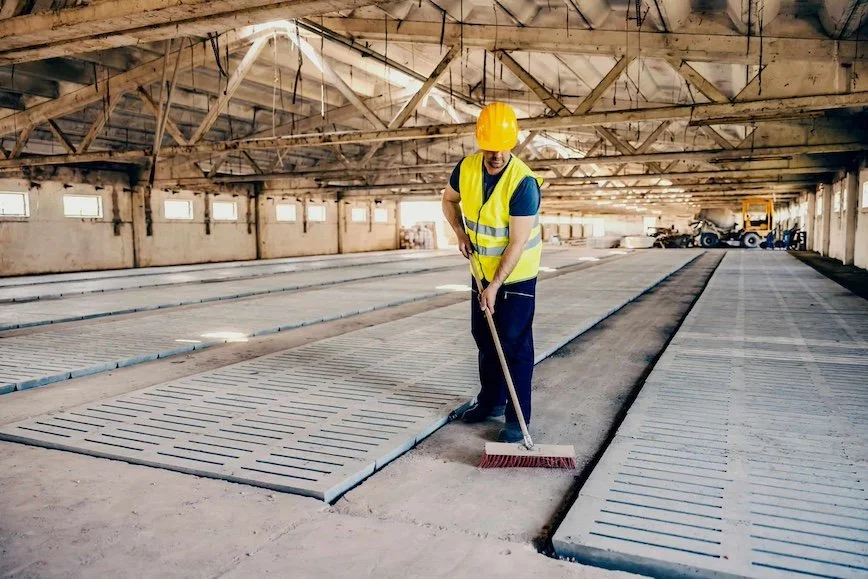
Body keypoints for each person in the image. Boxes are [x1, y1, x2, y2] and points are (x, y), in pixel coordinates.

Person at [440, 102, 543, 444]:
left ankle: (517, 418)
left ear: (512, 143)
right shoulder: (466, 169)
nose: (496, 155)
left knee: (513, 346)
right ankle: (491, 402)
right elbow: (448, 201)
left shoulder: (523, 183)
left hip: (515, 277)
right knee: (485, 339)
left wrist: (495, 286)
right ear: (480, 141)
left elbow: (516, 242)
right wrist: (460, 233)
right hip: (481, 272)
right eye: (490, 147)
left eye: (502, 148)